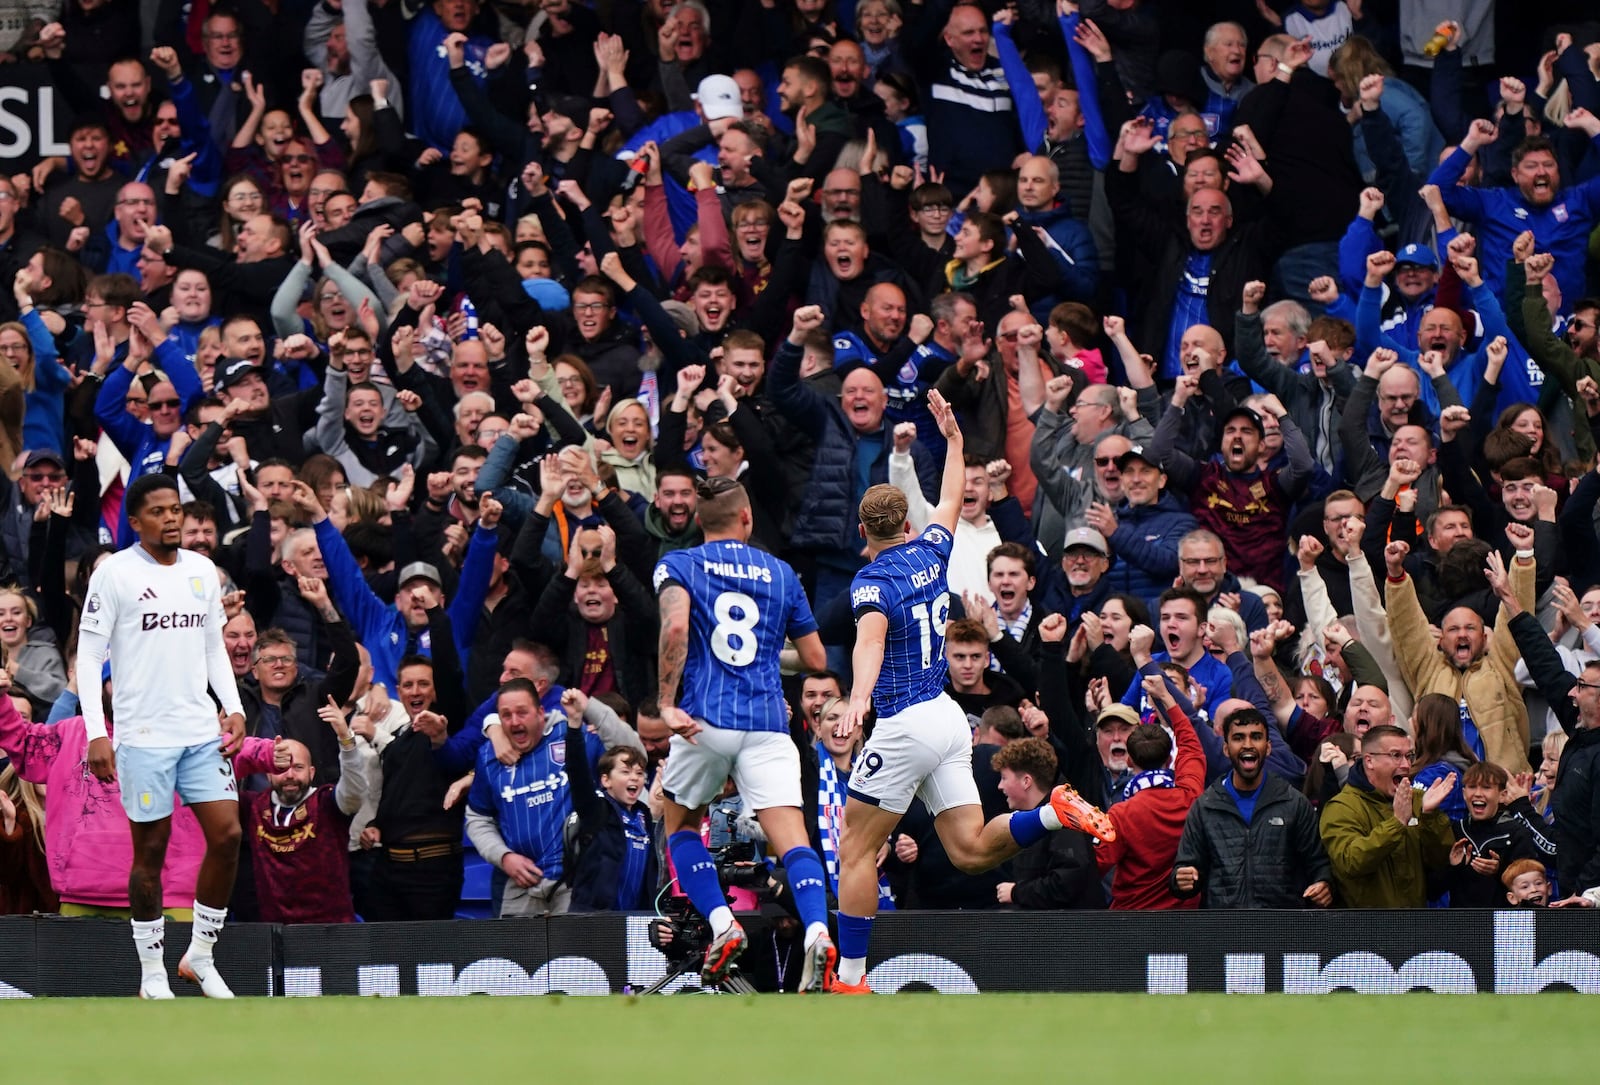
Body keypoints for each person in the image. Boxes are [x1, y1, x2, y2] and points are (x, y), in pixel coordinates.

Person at [831, 388, 1113, 994]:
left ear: (863, 530)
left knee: (854, 850)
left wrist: (858, 697)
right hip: (948, 717)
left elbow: (870, 642)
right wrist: (955, 439)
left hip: (906, 720)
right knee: (968, 848)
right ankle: (1052, 812)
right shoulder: (933, 551)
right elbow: (954, 496)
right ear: (907, 522)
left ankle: (850, 980)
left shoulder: (872, 580)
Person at [652, 475, 834, 989]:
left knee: (682, 829)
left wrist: (666, 703)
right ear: (747, 518)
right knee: (793, 841)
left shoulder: (680, 564)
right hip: (768, 724)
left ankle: (721, 922)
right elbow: (817, 660)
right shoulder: (780, 573)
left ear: (698, 521)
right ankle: (818, 931)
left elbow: (675, 629)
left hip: (704, 720)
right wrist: (763, 651)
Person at [74, 473, 249, 999]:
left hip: (199, 730)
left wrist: (233, 705)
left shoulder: (201, 571)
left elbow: (213, 647)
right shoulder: (115, 575)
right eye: (159, 511)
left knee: (229, 836)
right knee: (150, 854)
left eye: (176, 509)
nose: (172, 518)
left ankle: (199, 954)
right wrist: (96, 733)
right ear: (135, 522)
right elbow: (88, 656)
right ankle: (152, 973)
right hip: (143, 736)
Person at [1171, 707, 1334, 908]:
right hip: (1224, 930)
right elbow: (1186, 868)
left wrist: (1323, 883)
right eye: (1238, 738)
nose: (1248, 745)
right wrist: (1182, 879)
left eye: (1256, 737)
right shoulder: (1205, 807)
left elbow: (1318, 862)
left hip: (1282, 929)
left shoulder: (1294, 802)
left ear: (1268, 747)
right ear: (1225, 748)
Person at [1318, 724, 1456, 908]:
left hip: (1415, 927)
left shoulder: (1417, 800)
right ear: (1369, 761)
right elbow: (1350, 862)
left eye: (1409, 756)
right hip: (1368, 930)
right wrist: (1397, 823)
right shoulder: (1342, 807)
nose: (1406, 765)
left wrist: (1429, 816)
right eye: (1396, 755)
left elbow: (1440, 860)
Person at [991, 737, 1104, 910]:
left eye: (1004, 778)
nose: (1000, 786)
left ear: (1026, 781)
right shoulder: (1035, 819)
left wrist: (1016, 893)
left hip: (1070, 933)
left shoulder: (1063, 820)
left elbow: (1067, 882)